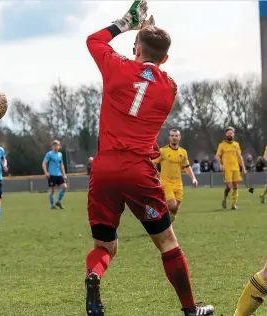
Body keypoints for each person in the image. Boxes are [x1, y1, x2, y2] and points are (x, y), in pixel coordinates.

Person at [84, 1, 214, 315]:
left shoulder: (116, 67)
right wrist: (146, 36)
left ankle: (94, 274)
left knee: (105, 247)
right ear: (166, 58)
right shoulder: (169, 88)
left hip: (103, 169)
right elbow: (150, 72)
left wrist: (125, 24)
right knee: (167, 243)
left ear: (135, 47)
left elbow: (94, 40)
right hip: (138, 171)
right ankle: (189, 310)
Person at [152, 128, 198, 222]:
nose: (174, 137)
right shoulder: (163, 151)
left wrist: (193, 178)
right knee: (172, 205)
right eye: (172, 135)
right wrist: (154, 172)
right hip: (166, 182)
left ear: (179, 137)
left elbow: (187, 166)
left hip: (178, 184)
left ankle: (168, 221)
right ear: (169, 138)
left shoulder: (183, 152)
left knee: (175, 209)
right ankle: (160, 219)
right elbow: (153, 162)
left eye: (176, 135)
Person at [215, 127, 246, 210]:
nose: (229, 134)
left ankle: (233, 204)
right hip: (227, 169)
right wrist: (220, 165)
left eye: (231, 133)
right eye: (228, 133)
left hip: (236, 168)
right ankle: (225, 198)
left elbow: (239, 157)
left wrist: (243, 168)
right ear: (226, 135)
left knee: (235, 185)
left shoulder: (236, 144)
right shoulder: (222, 145)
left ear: (233, 134)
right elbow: (217, 156)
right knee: (229, 186)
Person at [42, 140, 67, 209]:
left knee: (64, 187)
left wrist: (64, 174)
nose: (56, 146)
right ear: (52, 146)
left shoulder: (60, 155)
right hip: (52, 175)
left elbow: (61, 165)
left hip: (59, 174)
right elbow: (44, 163)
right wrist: (46, 172)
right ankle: (52, 205)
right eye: (54, 145)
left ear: (59, 146)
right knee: (52, 190)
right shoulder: (49, 154)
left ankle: (58, 201)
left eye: (57, 145)